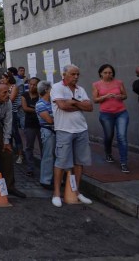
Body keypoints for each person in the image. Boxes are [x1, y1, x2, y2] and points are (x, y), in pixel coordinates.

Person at [50, 64, 93, 207]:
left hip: (81, 129)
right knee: (61, 162)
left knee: (79, 162)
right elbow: (62, 106)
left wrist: (73, 102)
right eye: (73, 74)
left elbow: (90, 107)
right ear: (64, 74)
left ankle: (76, 191)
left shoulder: (81, 89)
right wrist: (79, 104)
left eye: (77, 74)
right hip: (64, 129)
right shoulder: (57, 87)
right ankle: (56, 193)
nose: (76, 77)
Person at [92, 64, 131, 173]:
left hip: (121, 112)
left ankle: (124, 162)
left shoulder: (119, 82)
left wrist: (119, 96)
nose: (108, 74)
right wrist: (105, 97)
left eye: (110, 72)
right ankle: (108, 153)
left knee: (122, 136)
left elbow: (125, 95)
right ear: (101, 73)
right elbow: (95, 100)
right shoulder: (96, 84)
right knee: (109, 136)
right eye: (105, 73)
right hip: (106, 114)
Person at [35, 81, 55, 190]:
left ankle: (55, 178)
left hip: (55, 131)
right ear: (46, 90)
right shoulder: (40, 104)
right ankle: (45, 180)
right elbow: (49, 120)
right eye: (51, 89)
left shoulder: (52, 103)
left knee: (56, 156)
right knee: (48, 156)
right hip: (47, 131)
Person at [21, 77, 41, 178]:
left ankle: (45, 168)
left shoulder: (41, 96)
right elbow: (25, 108)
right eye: (31, 84)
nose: (32, 86)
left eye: (35, 85)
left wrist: (33, 109)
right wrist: (38, 110)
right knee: (29, 147)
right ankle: (30, 168)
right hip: (29, 124)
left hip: (41, 125)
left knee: (44, 147)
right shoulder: (25, 95)